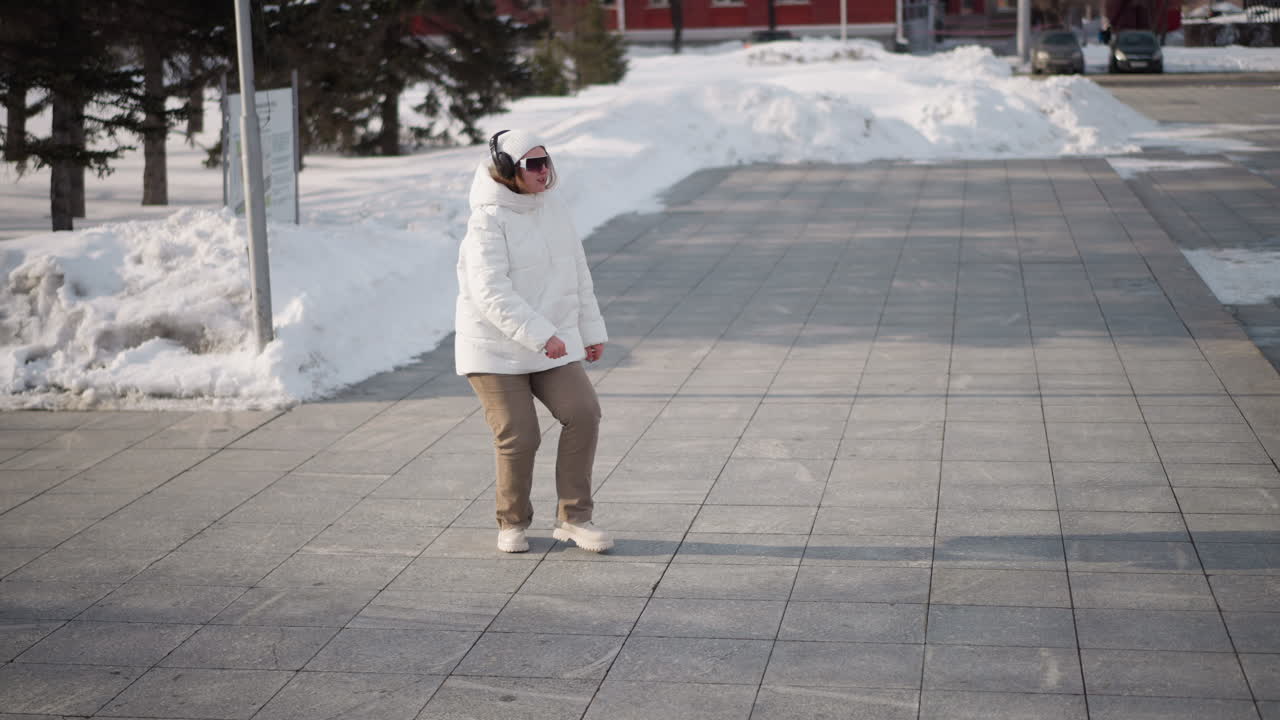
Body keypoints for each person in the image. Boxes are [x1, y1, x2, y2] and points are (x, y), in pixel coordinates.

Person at [454, 129, 613, 554]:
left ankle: (575, 518)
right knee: (520, 435)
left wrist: (590, 331)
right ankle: (512, 521)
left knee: (583, 412)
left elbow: (577, 272)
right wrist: (542, 334)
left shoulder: (553, 208)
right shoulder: (486, 219)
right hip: (493, 349)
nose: (544, 172)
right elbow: (490, 292)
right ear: (508, 170)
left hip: (551, 344)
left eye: (546, 162)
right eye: (533, 164)